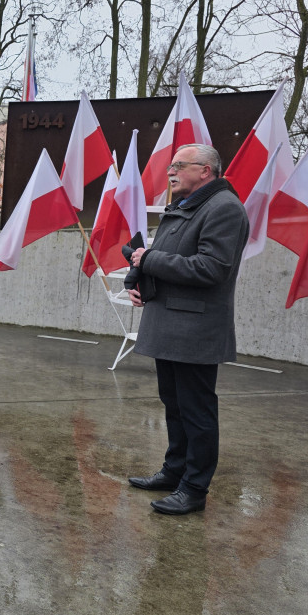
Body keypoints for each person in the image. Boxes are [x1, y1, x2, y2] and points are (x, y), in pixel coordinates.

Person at [127, 143, 249, 516]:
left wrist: (150, 258)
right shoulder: (186, 207)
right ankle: (174, 471)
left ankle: (194, 489)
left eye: (180, 165)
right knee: (175, 407)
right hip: (171, 323)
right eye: (171, 165)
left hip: (195, 328)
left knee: (196, 412)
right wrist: (142, 280)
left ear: (206, 171)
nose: (171, 171)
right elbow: (170, 260)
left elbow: (211, 269)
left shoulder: (224, 209)